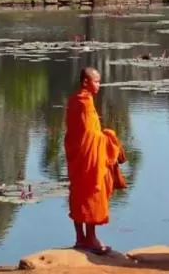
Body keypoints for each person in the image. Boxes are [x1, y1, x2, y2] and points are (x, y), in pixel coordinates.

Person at [64, 66, 125, 255]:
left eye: (99, 81)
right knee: (91, 191)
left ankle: (80, 238)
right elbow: (91, 135)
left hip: (78, 156)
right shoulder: (84, 102)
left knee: (78, 193)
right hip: (88, 158)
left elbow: (77, 133)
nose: (99, 84)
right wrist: (109, 137)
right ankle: (90, 238)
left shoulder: (74, 100)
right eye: (96, 81)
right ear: (85, 82)